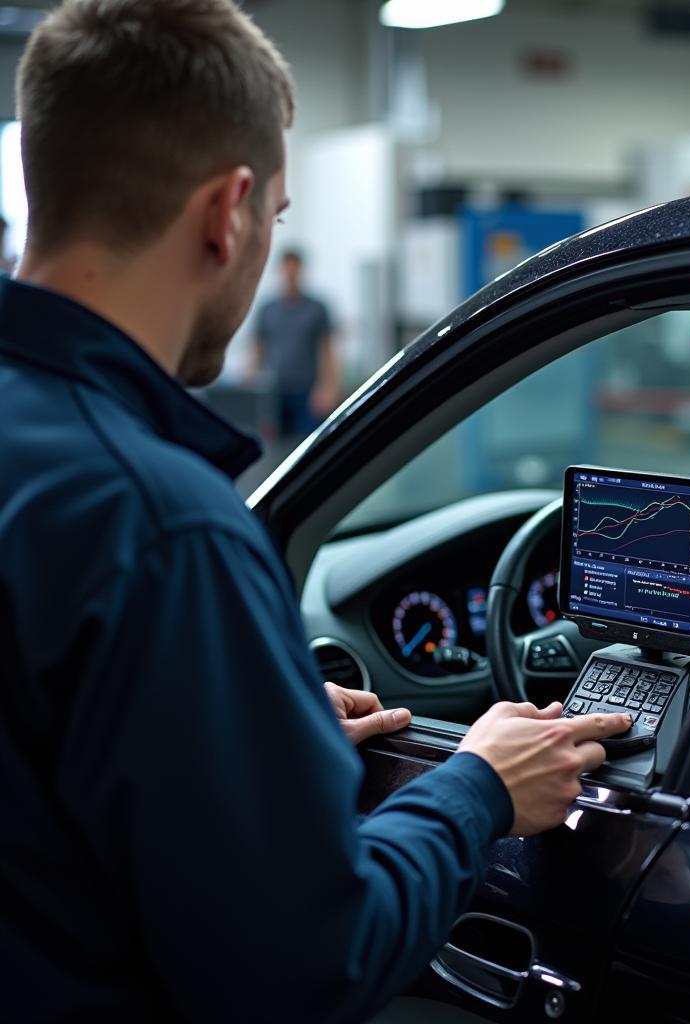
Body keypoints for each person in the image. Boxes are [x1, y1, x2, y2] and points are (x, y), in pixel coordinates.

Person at [0, 3, 631, 1021]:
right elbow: (305, 966)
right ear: (230, 210)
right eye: (279, 218)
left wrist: (249, 731)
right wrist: (475, 788)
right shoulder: (161, 523)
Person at [253, 248, 338, 437]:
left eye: (294, 269)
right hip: (276, 390)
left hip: (308, 390)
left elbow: (326, 350)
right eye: (287, 269)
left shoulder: (317, 308)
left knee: (308, 442)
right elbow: (258, 349)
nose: (290, 274)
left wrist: (327, 388)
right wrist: (253, 391)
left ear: (301, 270)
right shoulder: (268, 309)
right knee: (275, 446)